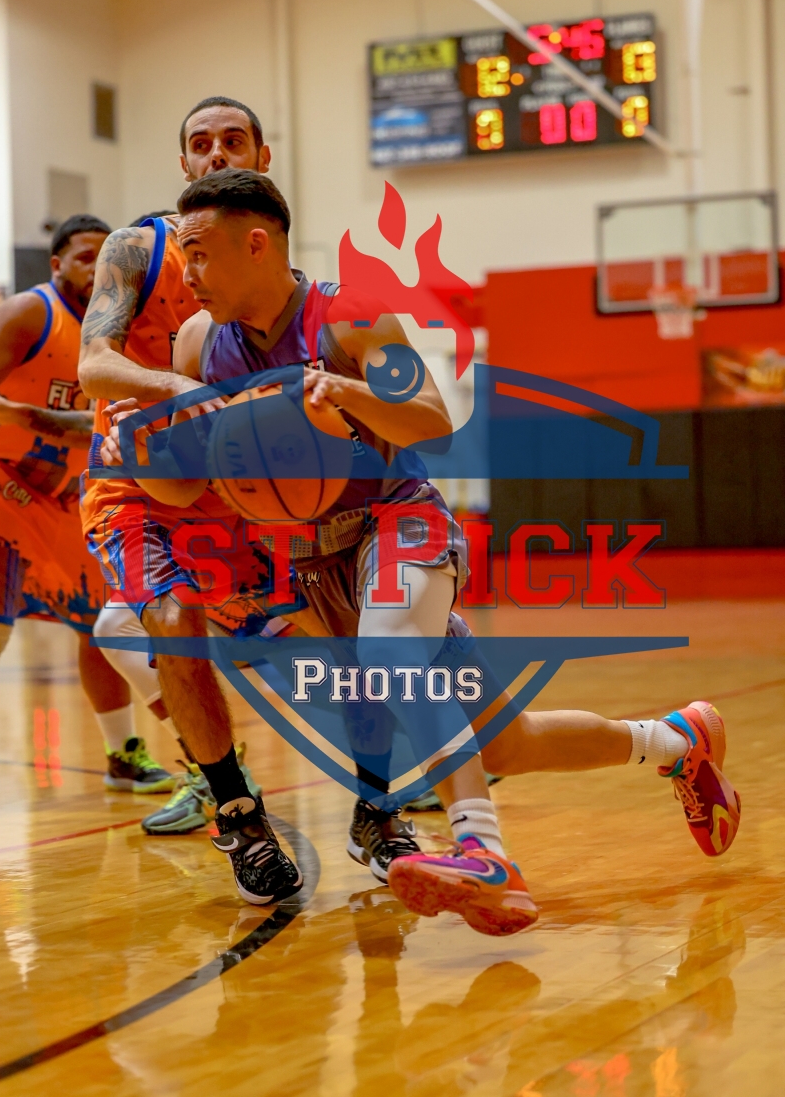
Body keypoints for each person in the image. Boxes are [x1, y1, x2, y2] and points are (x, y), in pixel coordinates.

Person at [101, 169, 741, 935]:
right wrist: (143, 453)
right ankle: (677, 741)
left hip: (400, 523)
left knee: (390, 648)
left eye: (200, 253)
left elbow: (431, 417)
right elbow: (181, 489)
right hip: (314, 563)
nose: (188, 274)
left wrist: (345, 395)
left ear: (257, 243)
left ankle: (483, 852)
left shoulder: (351, 316)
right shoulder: (199, 344)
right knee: (507, 742)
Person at [78, 97, 308, 838]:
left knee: (310, 634)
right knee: (151, 623)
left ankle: (416, 765)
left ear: (262, 157)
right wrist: (180, 389)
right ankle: (229, 798)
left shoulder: (277, 268)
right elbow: (94, 363)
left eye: (233, 141)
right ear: (183, 163)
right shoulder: (137, 249)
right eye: (201, 143)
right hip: (137, 478)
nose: (216, 153)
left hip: (232, 486)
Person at [0, 215, 173, 811]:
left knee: (103, 625)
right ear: (57, 265)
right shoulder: (29, 313)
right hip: (2, 484)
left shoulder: (117, 327)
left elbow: (92, 425)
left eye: (103, 255)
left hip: (70, 500)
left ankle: (124, 755)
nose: (95, 267)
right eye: (83, 256)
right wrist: (18, 420)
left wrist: (33, 417)